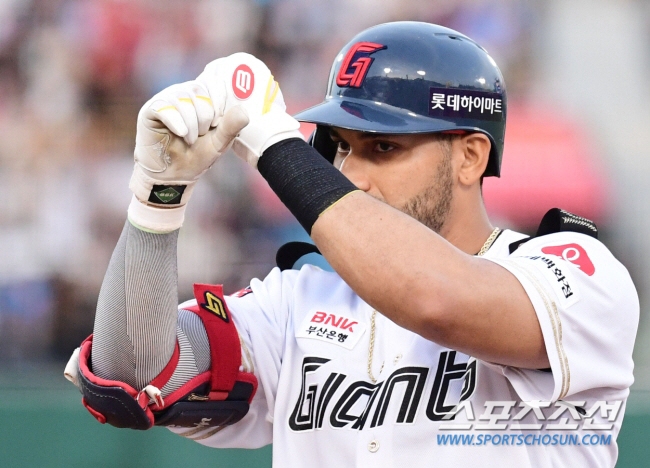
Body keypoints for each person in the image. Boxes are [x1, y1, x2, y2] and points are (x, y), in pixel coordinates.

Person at [64, 22, 638, 467]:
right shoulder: (300, 297)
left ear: (470, 156)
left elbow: (435, 298)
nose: (352, 175)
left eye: (383, 148)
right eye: (339, 148)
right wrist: (156, 197)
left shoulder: (576, 273)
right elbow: (135, 375)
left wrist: (277, 148)